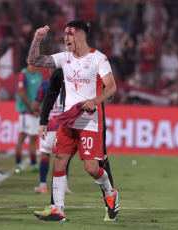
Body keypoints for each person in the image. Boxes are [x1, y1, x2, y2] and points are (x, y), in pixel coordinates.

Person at [28, 20, 118, 221]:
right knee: (59, 159)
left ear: (81, 36)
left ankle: (110, 192)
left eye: (70, 33)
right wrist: (36, 39)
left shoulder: (98, 58)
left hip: (90, 121)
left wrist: (95, 101)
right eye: (65, 33)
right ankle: (57, 209)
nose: (65, 37)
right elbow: (34, 60)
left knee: (91, 168)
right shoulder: (64, 58)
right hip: (68, 120)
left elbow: (111, 88)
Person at [33, 68, 116, 221]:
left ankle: (110, 203)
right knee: (60, 160)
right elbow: (51, 94)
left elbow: (110, 91)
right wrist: (43, 120)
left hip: (93, 124)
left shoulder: (94, 66)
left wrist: (97, 98)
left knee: (97, 165)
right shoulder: (62, 68)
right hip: (69, 123)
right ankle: (56, 207)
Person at [32, 69, 72, 195]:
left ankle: (43, 186)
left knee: (45, 155)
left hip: (50, 124)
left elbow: (35, 106)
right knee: (64, 157)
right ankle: (64, 186)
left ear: (50, 70)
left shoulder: (44, 85)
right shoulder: (70, 84)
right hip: (65, 125)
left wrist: (41, 113)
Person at [15, 59, 42, 172]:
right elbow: (22, 93)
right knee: (22, 137)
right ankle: (18, 164)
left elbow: (42, 92)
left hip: (36, 112)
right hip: (26, 111)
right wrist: (33, 108)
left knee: (34, 138)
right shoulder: (23, 74)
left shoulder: (39, 75)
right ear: (27, 60)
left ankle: (33, 164)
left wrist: (39, 108)